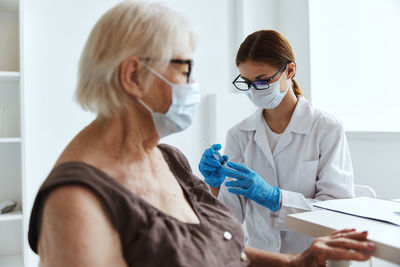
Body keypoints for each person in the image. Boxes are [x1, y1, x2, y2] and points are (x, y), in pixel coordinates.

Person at [28, 2, 373, 267]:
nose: (193, 86)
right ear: (134, 75)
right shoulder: (76, 200)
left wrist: (295, 260)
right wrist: (217, 187)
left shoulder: (169, 159)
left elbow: (221, 243)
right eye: (185, 69)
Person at [199, 30, 355, 254]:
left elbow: (336, 212)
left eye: (262, 81)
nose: (254, 90)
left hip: (311, 257)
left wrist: (277, 198)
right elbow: (229, 218)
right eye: (247, 82)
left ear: (290, 71)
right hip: (260, 257)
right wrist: (214, 186)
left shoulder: (326, 129)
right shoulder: (239, 134)